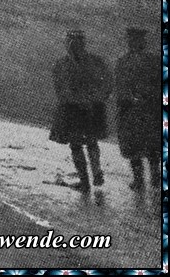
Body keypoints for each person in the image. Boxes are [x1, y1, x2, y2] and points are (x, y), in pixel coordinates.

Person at [50, 30, 112, 192]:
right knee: (84, 143)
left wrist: (93, 99)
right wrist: (91, 100)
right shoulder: (63, 64)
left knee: (83, 143)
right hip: (79, 109)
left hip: (82, 109)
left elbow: (106, 83)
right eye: (70, 43)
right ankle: (90, 176)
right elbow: (60, 89)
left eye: (76, 43)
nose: (72, 46)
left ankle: (89, 178)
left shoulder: (90, 62)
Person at [113, 27, 157, 190]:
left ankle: (155, 176)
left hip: (150, 108)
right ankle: (138, 178)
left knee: (152, 144)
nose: (137, 44)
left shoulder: (154, 61)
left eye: (139, 41)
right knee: (132, 144)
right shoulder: (123, 61)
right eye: (133, 41)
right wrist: (129, 98)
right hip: (130, 108)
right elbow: (120, 84)